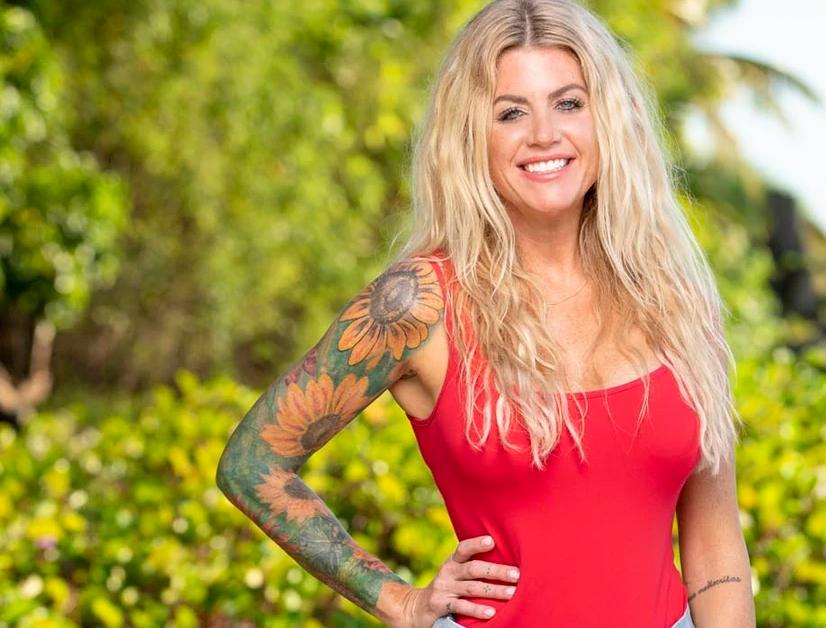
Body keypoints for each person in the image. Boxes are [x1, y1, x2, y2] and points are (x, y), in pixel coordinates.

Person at [215, 0, 754, 626]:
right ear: (471, 134)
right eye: (510, 113)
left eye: (569, 103)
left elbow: (715, 544)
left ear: (608, 118)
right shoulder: (419, 304)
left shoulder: (675, 299)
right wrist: (399, 600)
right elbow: (253, 465)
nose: (544, 134)